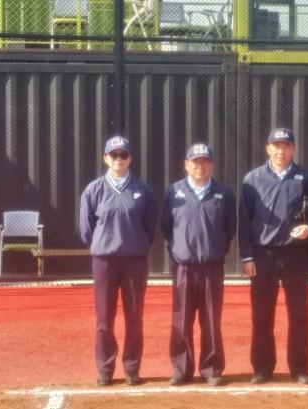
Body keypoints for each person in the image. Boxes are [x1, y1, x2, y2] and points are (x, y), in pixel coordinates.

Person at [238, 127, 308, 385]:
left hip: (296, 254)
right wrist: (247, 257)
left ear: (293, 149)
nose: (281, 150)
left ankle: (300, 368)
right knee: (262, 315)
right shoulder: (252, 179)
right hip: (263, 254)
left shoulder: (307, 178)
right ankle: (262, 368)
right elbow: (244, 220)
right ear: (268, 148)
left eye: (287, 146)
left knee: (299, 314)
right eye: (276, 146)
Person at [79, 135, 157, 386]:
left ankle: (132, 368)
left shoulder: (143, 190)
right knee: (104, 320)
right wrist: (104, 245)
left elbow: (150, 227)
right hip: (105, 262)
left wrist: (135, 244)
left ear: (130, 158)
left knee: (134, 318)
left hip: (134, 261)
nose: (119, 159)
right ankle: (105, 369)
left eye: (123, 155)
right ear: (105, 158)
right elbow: (87, 229)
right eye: (114, 155)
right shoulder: (94, 190)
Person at [162, 143, 236, 387]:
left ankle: (211, 369)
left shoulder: (224, 193)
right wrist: (180, 250)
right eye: (195, 161)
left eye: (205, 161)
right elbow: (166, 226)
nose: (200, 166)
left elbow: (229, 228)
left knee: (211, 320)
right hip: (183, 267)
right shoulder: (173, 192)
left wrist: (215, 250)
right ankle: (181, 369)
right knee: (181, 319)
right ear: (186, 164)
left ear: (212, 164)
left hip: (212, 267)